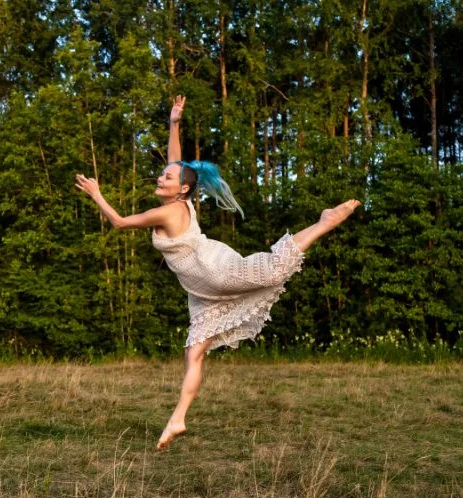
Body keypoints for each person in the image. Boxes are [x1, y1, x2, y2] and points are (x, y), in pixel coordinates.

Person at [75, 96, 360, 451]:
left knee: (273, 268)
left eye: (166, 176)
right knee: (194, 353)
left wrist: (97, 193)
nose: (161, 176)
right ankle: (177, 419)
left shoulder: (168, 211)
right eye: (163, 174)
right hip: (201, 289)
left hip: (213, 270)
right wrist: (174, 123)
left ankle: (324, 223)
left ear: (181, 188)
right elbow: (176, 162)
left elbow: (119, 222)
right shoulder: (181, 200)